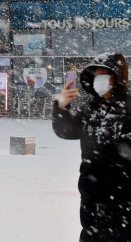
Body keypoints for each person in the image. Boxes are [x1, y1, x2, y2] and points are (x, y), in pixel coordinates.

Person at [52, 53, 131, 241]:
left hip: (123, 200)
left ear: (117, 77)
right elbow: (67, 131)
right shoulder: (91, 108)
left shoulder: (128, 107)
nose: (99, 79)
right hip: (91, 196)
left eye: (104, 74)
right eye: (95, 75)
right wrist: (61, 107)